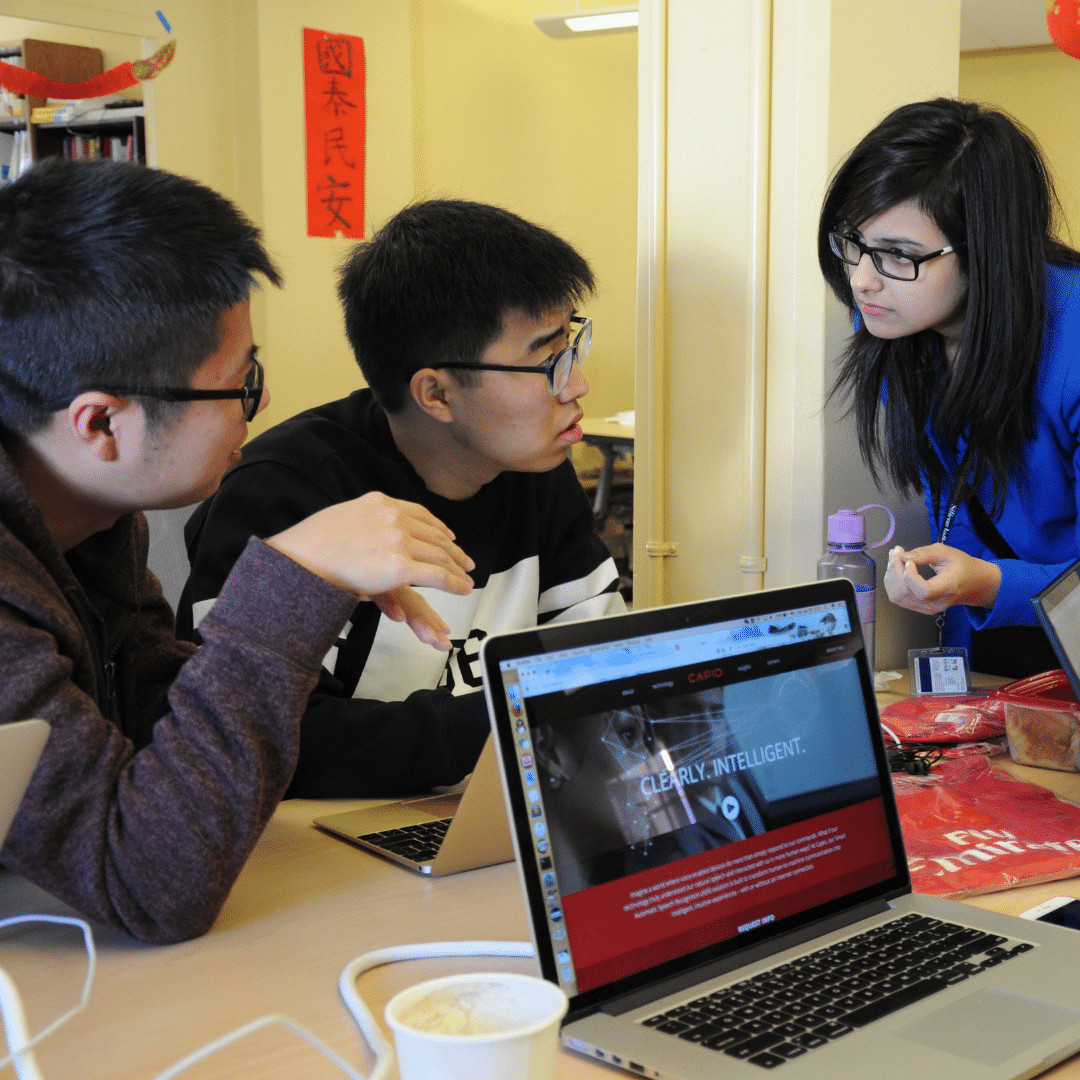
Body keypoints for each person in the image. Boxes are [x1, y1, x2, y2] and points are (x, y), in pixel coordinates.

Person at [0, 158, 474, 943]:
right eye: (241, 384)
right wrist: (288, 590)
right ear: (102, 425)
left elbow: (158, 724)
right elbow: (149, 881)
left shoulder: (91, 522)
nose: (259, 407)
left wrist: (309, 599)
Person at [179, 199, 625, 797]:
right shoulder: (285, 492)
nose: (577, 385)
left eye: (573, 344)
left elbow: (602, 664)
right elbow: (262, 739)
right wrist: (513, 723)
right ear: (435, 394)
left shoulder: (534, 469)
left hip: (474, 812)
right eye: (547, 361)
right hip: (316, 844)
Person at [818, 98, 1080, 678]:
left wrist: (988, 582)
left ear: (987, 247)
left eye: (897, 255)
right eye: (853, 243)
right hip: (995, 652)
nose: (861, 279)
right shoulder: (896, 323)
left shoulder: (1072, 343)